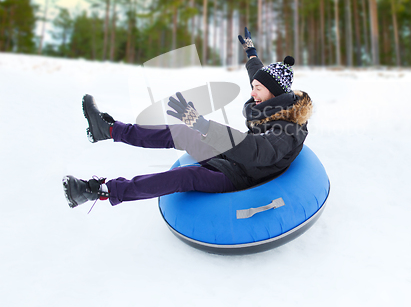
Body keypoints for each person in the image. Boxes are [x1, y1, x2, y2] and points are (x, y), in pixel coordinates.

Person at [62, 28, 313, 209]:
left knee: (185, 176)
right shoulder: (273, 100)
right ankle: (108, 130)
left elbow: (257, 151)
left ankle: (99, 191)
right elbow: (258, 75)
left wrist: (204, 125)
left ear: (274, 92)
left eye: (257, 88)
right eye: (254, 86)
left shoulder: (288, 129)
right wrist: (251, 52)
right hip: (232, 156)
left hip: (243, 176)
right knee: (183, 132)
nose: (252, 91)